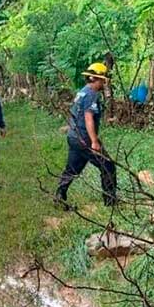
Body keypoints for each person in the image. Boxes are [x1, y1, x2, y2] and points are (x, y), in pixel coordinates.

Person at [55, 63, 117, 209]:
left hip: (74, 137)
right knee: (108, 166)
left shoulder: (82, 92)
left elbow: (78, 114)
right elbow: (88, 118)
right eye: (103, 80)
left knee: (72, 169)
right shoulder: (91, 94)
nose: (104, 83)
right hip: (84, 139)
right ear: (97, 79)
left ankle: (59, 196)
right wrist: (94, 142)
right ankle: (110, 202)